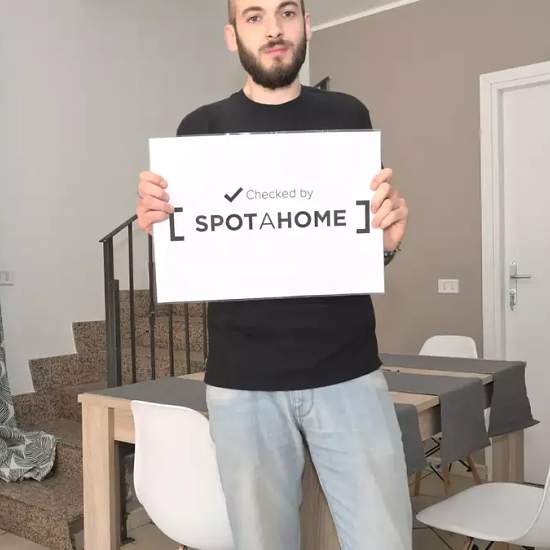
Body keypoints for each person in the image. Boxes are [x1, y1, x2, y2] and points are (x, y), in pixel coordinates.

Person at [136, 1, 411, 548]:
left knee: (383, 539)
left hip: (349, 372)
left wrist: (384, 244)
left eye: (286, 12)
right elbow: (203, 249)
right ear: (231, 35)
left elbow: (352, 245)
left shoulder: (347, 115)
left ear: (306, 24)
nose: (273, 29)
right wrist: (162, 228)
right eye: (254, 16)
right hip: (242, 384)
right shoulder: (199, 129)